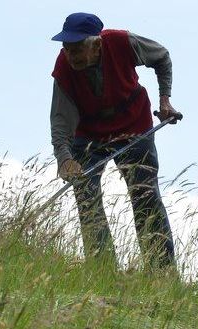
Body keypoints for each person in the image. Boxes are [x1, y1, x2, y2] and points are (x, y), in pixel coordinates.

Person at [49, 12, 181, 272]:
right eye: (66, 48)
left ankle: (161, 273)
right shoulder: (64, 68)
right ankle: (103, 270)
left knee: (145, 193)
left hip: (133, 124)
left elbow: (162, 56)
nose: (70, 55)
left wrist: (164, 100)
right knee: (85, 193)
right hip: (89, 132)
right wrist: (64, 159)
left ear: (96, 44)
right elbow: (60, 123)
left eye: (77, 49)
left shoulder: (122, 42)